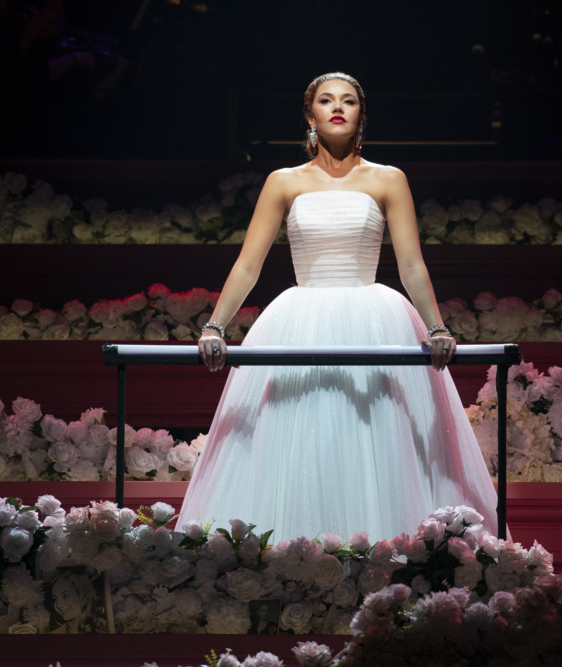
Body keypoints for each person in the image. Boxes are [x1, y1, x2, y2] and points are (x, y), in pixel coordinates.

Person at [175, 72, 501, 543]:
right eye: (326, 101)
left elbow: (411, 264)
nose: (337, 108)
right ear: (310, 116)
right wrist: (215, 326)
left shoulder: (388, 179)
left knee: (373, 434)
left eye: (348, 101)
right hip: (299, 320)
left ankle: (389, 552)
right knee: (299, 436)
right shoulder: (283, 181)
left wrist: (436, 327)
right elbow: (249, 264)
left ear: (360, 116)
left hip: (373, 320)